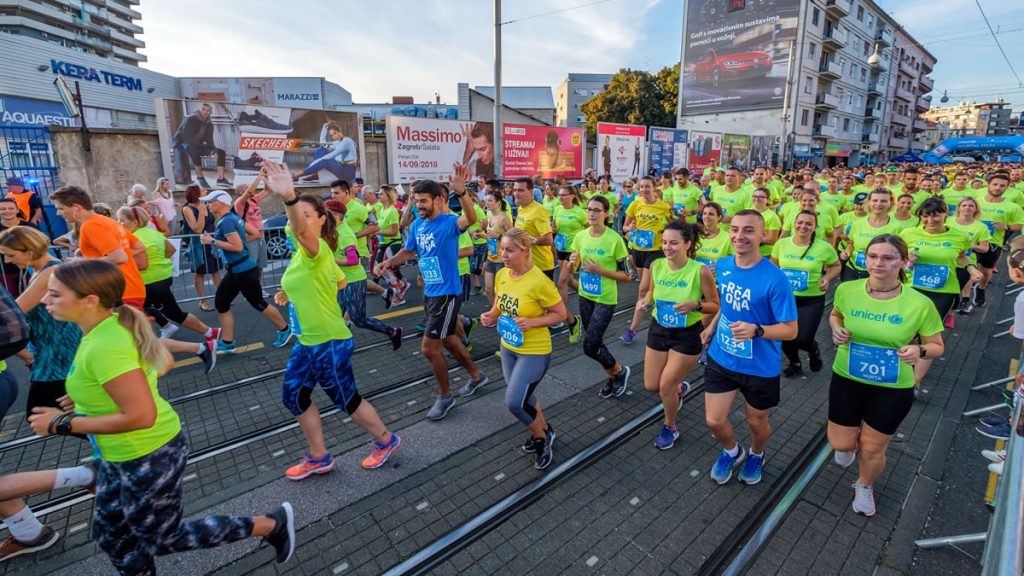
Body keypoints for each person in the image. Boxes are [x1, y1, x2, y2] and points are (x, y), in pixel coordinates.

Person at [29, 259, 295, 572]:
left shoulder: (106, 344)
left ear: (90, 301)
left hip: (148, 454)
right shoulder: (104, 328)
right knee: (111, 535)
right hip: (123, 455)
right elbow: (138, 376)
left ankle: (270, 525)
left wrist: (61, 423)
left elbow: (141, 416)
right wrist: (87, 397)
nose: (45, 300)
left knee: (163, 538)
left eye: (55, 294)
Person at [259, 162, 401, 479]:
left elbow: (300, 232)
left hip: (329, 341)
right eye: (301, 215)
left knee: (346, 399)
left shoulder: (318, 248)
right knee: (294, 396)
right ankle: (319, 456)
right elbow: (338, 280)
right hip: (308, 341)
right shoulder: (303, 252)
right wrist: (291, 292)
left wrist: (290, 198)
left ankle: (387, 441)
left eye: (310, 215)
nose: (302, 221)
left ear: (323, 221)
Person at [828, 235, 944, 517]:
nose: (879, 263)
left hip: (892, 386)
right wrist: (835, 328)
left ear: (903, 262)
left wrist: (919, 350)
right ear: (865, 259)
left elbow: (937, 346)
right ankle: (849, 447)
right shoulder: (847, 289)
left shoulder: (919, 303)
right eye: (873, 256)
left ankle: (865, 484)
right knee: (841, 444)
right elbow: (836, 314)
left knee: (872, 446)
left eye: (889, 258)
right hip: (847, 378)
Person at [375, 166, 489, 420]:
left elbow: (469, 220)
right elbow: (408, 252)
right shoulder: (417, 225)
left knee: (429, 348)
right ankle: (477, 375)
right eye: (416, 201)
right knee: (448, 339)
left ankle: (445, 396)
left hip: (447, 293)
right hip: (431, 291)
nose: (419, 206)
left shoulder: (448, 223)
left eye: (423, 201)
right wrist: (388, 263)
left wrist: (462, 194)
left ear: (438, 199)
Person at [701, 210, 798, 485]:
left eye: (748, 230)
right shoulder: (723, 265)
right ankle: (733, 451)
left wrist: (757, 330)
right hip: (722, 357)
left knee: (756, 423)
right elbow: (728, 306)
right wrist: (712, 326)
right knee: (714, 420)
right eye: (734, 229)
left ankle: (757, 453)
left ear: (762, 235)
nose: (739, 236)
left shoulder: (775, 279)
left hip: (759, 366)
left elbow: (791, 330)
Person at [480, 228, 566, 469]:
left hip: (534, 351)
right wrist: (491, 315)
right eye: (501, 249)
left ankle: (542, 438)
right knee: (525, 396)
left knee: (515, 402)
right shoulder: (503, 274)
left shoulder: (539, 281)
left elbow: (560, 314)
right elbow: (500, 303)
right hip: (507, 347)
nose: (503, 255)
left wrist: (533, 322)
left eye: (509, 250)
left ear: (525, 252)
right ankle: (545, 429)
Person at [641, 221, 719, 449]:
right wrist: (645, 301)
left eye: (674, 243)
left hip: (686, 334)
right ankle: (680, 388)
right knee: (651, 385)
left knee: (665, 386)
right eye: (665, 242)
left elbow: (715, 305)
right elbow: (653, 294)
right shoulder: (657, 265)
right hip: (658, 328)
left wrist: (695, 305)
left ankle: (670, 426)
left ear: (687, 244)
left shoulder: (700, 270)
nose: (667, 247)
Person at [115, 206, 220, 367]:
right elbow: (170, 250)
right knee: (162, 313)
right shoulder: (154, 233)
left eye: (122, 220)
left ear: (135, 222)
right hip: (162, 278)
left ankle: (151, 352)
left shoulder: (134, 238)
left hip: (148, 282)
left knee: (139, 318)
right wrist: (158, 261)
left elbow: (142, 264)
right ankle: (208, 334)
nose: (119, 223)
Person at [0, 226, 82, 417]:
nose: (7, 261)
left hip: (58, 353)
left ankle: (108, 434)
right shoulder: (40, 270)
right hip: (50, 351)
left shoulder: (50, 272)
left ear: (29, 251)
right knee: (58, 412)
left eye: (10, 255)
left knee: (40, 413)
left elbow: (14, 314)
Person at [198, 190, 292, 353]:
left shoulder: (227, 222)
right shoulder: (233, 218)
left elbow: (237, 247)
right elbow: (255, 233)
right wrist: (239, 244)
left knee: (258, 303)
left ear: (221, 203)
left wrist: (212, 241)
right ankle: (227, 343)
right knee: (221, 303)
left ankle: (285, 330)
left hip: (243, 270)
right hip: (238, 269)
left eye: (210, 201)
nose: (207, 204)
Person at [900, 198, 980, 389]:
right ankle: (904, 370)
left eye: (936, 214)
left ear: (946, 214)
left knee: (928, 337)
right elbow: (899, 259)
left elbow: (961, 256)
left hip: (942, 292)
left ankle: (914, 383)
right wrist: (908, 261)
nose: (931, 219)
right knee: (907, 332)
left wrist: (970, 267)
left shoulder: (959, 236)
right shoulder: (908, 233)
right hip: (913, 289)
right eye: (926, 215)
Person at [569, 195, 631, 398]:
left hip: (605, 298)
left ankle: (619, 370)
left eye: (597, 210)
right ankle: (614, 375)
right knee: (595, 342)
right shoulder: (580, 236)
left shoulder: (615, 240)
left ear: (607, 213)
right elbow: (574, 267)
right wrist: (572, 262)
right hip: (585, 295)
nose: (592, 213)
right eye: (589, 209)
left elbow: (627, 275)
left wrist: (600, 270)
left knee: (590, 345)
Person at [325, 199, 404, 350]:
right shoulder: (333, 231)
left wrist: (330, 259)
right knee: (336, 315)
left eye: (325, 214)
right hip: (341, 280)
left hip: (353, 281)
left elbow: (353, 260)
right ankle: (338, 346)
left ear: (336, 216)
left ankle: (393, 332)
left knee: (358, 319)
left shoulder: (345, 234)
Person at [771, 210, 840, 377]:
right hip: (785, 298)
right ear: (794, 223)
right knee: (786, 335)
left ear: (815, 227)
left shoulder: (824, 247)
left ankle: (813, 349)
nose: (803, 226)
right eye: (800, 222)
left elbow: (836, 266)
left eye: (809, 223)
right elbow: (773, 267)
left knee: (802, 338)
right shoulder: (782, 244)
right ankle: (795, 363)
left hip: (811, 299)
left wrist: (827, 277)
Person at [621, 176, 672, 344]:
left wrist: (665, 232)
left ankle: (632, 329)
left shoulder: (663, 206)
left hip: (655, 251)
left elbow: (674, 226)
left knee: (642, 289)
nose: (643, 190)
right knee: (648, 288)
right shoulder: (635, 204)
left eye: (647, 187)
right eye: (641, 187)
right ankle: (656, 303)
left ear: (654, 187)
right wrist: (630, 228)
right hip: (638, 250)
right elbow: (625, 227)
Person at [974, 172, 1024, 308]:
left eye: (1002, 186)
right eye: (995, 184)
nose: (997, 188)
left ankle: (981, 289)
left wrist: (1007, 226)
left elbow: (1020, 224)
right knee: (967, 268)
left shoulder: (1012, 207)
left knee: (985, 270)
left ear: (1007, 188)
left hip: (994, 242)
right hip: (972, 242)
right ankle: (965, 296)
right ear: (988, 185)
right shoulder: (975, 202)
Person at [840, 189, 900, 282]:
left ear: (890, 203)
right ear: (868, 202)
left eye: (883, 201)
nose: (878, 204)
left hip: (879, 274)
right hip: (852, 271)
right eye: (875, 200)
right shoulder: (857, 224)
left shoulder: (897, 228)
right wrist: (847, 251)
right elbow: (851, 243)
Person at [181, 184, 222, 311]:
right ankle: (203, 301)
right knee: (200, 273)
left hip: (211, 241)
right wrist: (201, 213)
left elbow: (213, 222)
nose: (206, 191)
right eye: (203, 190)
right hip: (198, 244)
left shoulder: (207, 204)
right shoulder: (188, 209)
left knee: (215, 270)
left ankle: (222, 297)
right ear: (195, 193)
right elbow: (197, 229)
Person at [948, 197, 991, 315]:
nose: (967, 208)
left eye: (971, 205)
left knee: (956, 289)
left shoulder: (981, 227)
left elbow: (985, 248)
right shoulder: (948, 221)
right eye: (964, 205)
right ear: (959, 208)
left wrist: (970, 245)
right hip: (946, 259)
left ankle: (955, 308)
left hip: (966, 261)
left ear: (976, 209)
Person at [172, 102, 231, 189]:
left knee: (220, 152)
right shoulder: (190, 119)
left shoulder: (209, 124)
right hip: (182, 143)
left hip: (198, 144)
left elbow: (209, 139)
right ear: (201, 110)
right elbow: (188, 138)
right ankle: (200, 178)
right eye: (207, 110)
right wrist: (203, 147)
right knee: (194, 150)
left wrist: (213, 150)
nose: (209, 112)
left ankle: (221, 179)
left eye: (210, 111)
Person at [552, 184, 587, 323]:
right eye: (559, 195)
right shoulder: (557, 209)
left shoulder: (580, 212)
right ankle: (588, 294)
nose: (561, 197)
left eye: (564, 195)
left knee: (561, 282)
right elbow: (554, 227)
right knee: (569, 280)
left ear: (572, 196)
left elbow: (588, 229)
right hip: (560, 247)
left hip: (573, 250)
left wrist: (582, 246)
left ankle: (560, 315)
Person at [374, 185, 410, 304]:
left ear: (388, 196)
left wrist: (376, 232)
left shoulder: (392, 211)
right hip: (383, 243)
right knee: (381, 268)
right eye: (378, 194)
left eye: (381, 194)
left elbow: (394, 231)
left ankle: (399, 296)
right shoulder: (381, 209)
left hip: (393, 243)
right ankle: (402, 284)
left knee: (385, 269)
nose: (379, 196)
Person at [292, 122, 358, 183]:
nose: (334, 136)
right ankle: (315, 175)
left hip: (348, 172)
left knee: (326, 161)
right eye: (332, 135)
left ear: (340, 131)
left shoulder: (347, 142)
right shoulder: (337, 142)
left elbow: (332, 155)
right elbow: (323, 144)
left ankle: (296, 175)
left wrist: (314, 163)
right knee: (321, 150)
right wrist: (325, 127)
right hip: (341, 167)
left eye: (335, 133)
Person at [482, 189, 512, 304]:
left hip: (502, 259)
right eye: (486, 200)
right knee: (488, 289)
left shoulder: (503, 218)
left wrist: (499, 236)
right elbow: (491, 237)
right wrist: (481, 235)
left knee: (502, 290)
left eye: (490, 201)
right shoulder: (490, 216)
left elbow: (512, 238)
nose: (487, 203)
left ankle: (503, 315)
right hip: (491, 257)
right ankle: (494, 315)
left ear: (498, 202)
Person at [0, 198, 32, 297]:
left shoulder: (29, 227)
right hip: (3, 271)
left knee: (32, 300)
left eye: (11, 208)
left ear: (17, 210)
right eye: (2, 209)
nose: (7, 211)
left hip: (28, 269)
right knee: (10, 301)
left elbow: (40, 245)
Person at [694, 203, 733, 278]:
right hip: (695, 279)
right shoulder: (695, 234)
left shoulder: (727, 237)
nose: (706, 217)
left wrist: (718, 268)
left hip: (716, 282)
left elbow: (732, 263)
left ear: (719, 217)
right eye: (704, 213)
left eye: (711, 214)